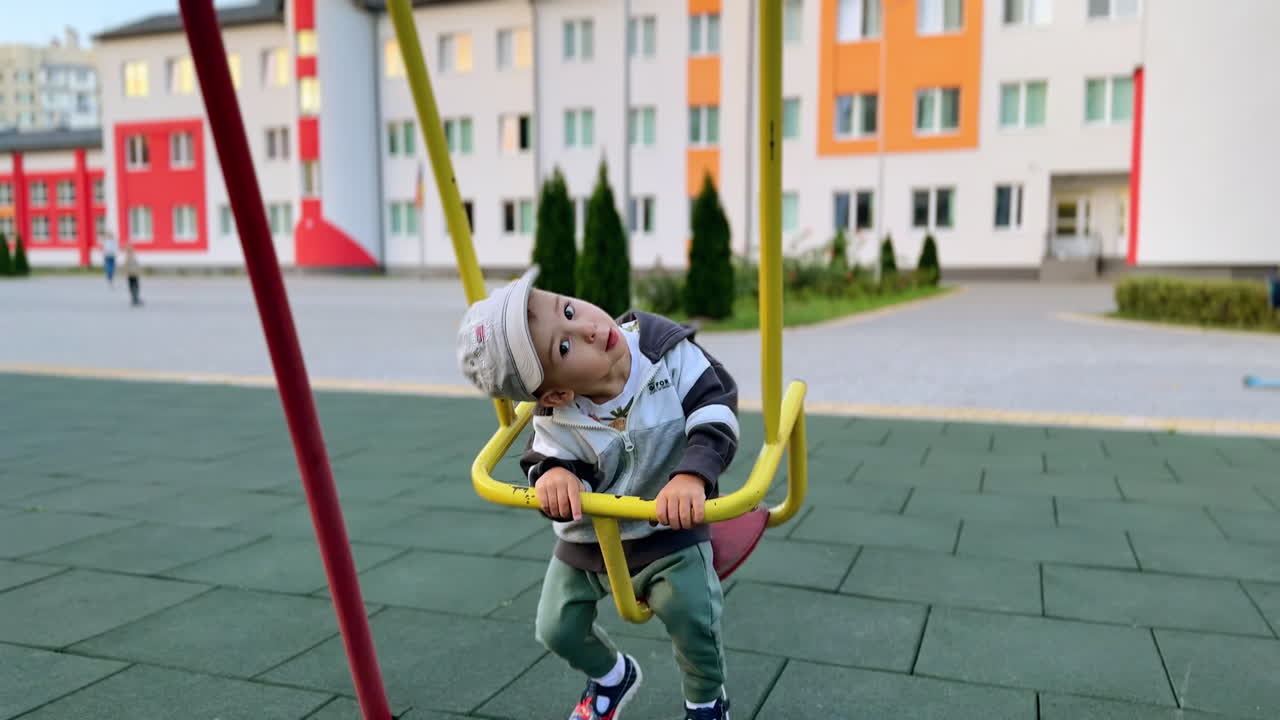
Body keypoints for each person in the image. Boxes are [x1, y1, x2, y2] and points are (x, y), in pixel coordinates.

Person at [457, 267, 738, 720]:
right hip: (593, 540)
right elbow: (547, 460)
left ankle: (706, 701)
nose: (588, 328)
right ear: (558, 392)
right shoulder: (559, 416)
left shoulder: (667, 355)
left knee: (692, 612)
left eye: (568, 308)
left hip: (669, 524)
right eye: (564, 346)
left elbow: (716, 409)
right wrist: (554, 478)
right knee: (555, 626)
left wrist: (693, 475)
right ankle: (612, 676)